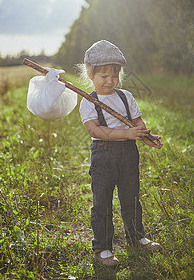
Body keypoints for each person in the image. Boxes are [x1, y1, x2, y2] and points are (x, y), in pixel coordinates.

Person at [79, 40, 163, 267]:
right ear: (90, 74)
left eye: (114, 76)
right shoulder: (88, 102)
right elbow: (96, 130)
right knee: (102, 202)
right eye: (103, 76)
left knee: (131, 197)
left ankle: (136, 237)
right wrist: (126, 132)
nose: (110, 81)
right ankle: (103, 247)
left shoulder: (125, 96)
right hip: (103, 155)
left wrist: (145, 136)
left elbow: (137, 121)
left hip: (128, 153)